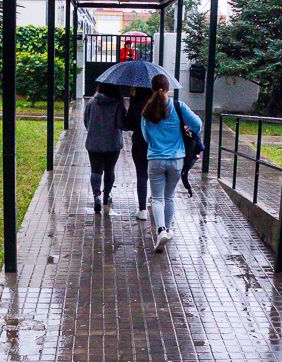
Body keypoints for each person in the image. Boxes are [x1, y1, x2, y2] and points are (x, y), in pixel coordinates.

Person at [140, 73, 203, 253]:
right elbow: (197, 124)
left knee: (157, 198)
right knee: (169, 196)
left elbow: (145, 136)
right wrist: (185, 128)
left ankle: (160, 231)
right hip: (176, 160)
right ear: (168, 88)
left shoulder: (147, 110)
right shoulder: (178, 106)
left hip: (155, 159)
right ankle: (167, 230)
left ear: (152, 89)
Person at [83, 82, 125, 213]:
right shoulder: (118, 104)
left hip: (94, 143)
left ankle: (97, 195)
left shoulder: (91, 102)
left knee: (96, 171)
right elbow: (120, 124)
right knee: (109, 170)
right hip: (113, 143)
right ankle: (107, 195)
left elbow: (86, 122)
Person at [123, 84, 151, 219]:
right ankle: (156, 201)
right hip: (156, 146)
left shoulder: (135, 105)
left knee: (142, 175)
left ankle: (143, 210)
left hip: (139, 144)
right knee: (156, 176)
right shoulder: (157, 105)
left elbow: (127, 125)